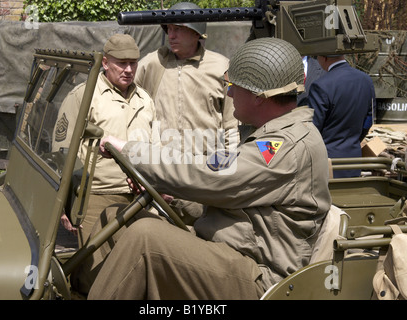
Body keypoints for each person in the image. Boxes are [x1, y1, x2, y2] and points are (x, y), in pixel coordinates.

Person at [88, 37, 332, 300]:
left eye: (233, 87)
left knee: (145, 238)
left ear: (259, 96)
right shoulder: (269, 135)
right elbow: (227, 192)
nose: (228, 94)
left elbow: (210, 175)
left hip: (260, 276)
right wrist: (174, 196)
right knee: (119, 216)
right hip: (232, 252)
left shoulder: (284, 147)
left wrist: (131, 150)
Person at [52, 34, 156, 294]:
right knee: (92, 271)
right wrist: (66, 203)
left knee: (133, 268)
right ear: (106, 62)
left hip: (138, 196)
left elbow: (154, 147)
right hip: (96, 195)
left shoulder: (145, 100)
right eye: (122, 63)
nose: (129, 69)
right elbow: (62, 150)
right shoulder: (84, 96)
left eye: (134, 63)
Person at [134, 2, 239, 224]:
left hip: (203, 177)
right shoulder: (153, 63)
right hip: (162, 177)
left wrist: (226, 175)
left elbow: (230, 125)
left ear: (195, 32)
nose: (171, 35)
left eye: (178, 29)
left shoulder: (221, 68)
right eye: (168, 29)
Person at [308, 54, 375, 178]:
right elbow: (368, 120)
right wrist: (353, 140)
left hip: (326, 162)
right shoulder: (366, 80)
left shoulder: (320, 85)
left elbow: (313, 128)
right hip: (353, 160)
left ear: (324, 58)